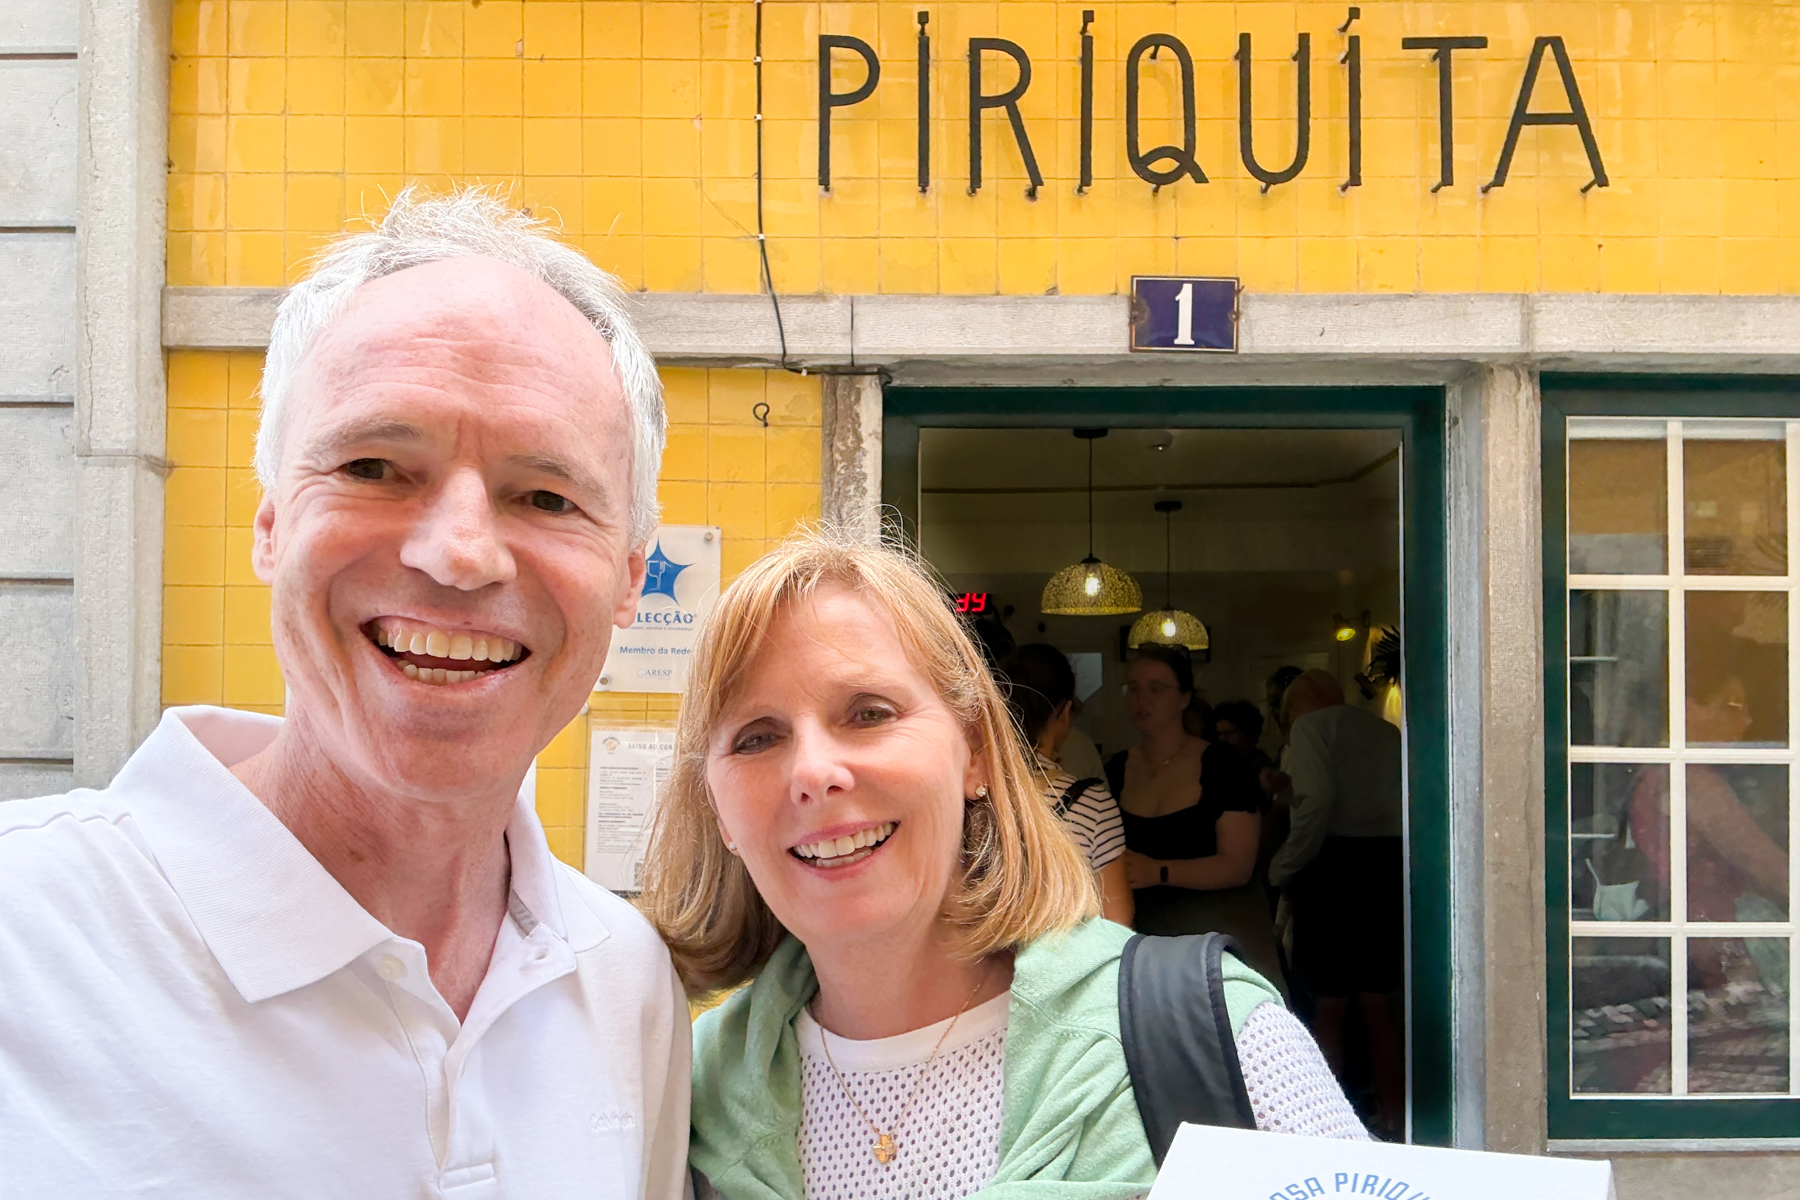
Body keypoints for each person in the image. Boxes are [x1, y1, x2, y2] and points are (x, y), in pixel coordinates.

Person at [0, 189, 692, 1196]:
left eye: (546, 495)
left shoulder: (625, 984)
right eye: (375, 466)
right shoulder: (27, 941)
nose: (459, 553)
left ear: (629, 575)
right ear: (272, 521)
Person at [639, 531, 1364, 1200]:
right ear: (719, 810)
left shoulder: (1218, 1043)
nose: (814, 771)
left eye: (868, 713)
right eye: (757, 737)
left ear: (976, 753)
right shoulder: (682, 1091)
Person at [1269, 669, 1405, 1138]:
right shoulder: (1385, 732)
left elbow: (1317, 803)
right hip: (1387, 865)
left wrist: (1284, 868)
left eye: (1288, 714)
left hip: (1334, 867)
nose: (1288, 726)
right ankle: (1394, 1121)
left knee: (1328, 1007)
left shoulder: (1313, 727)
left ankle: (1324, 1131)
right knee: (1378, 1005)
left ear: (1303, 704)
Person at [1106, 646, 1285, 989]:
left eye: (1156, 689)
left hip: (1218, 938)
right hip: (1146, 942)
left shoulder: (1223, 764)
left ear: (1185, 697)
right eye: (1134, 688)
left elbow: (1239, 864)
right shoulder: (1115, 770)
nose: (1142, 699)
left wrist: (1156, 871)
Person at [1000, 643, 1133, 926]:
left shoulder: (970, 791)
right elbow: (1117, 925)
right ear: (1064, 712)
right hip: (1059, 967)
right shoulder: (1094, 804)